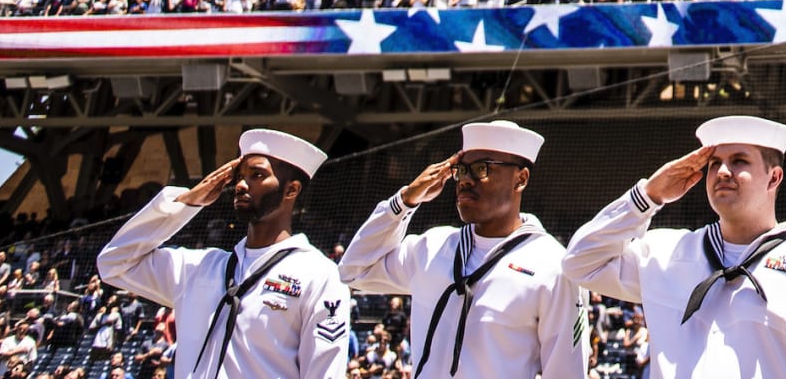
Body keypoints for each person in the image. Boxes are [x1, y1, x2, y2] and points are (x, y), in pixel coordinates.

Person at [563, 116, 786, 378]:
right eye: (714, 163)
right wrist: (649, 195)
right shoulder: (666, 253)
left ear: (774, 177)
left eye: (739, 161)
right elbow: (580, 262)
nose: (722, 171)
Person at [338, 121, 589, 378]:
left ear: (520, 179)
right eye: (460, 170)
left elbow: (566, 373)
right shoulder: (431, 247)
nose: (465, 180)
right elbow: (353, 271)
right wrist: (404, 201)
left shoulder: (554, 266)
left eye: (482, 169)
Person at [97, 129, 351, 379]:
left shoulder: (319, 275)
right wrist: (186, 203)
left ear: (291, 190)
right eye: (239, 176)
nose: (241, 185)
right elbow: (113, 263)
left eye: (257, 175)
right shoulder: (199, 268)